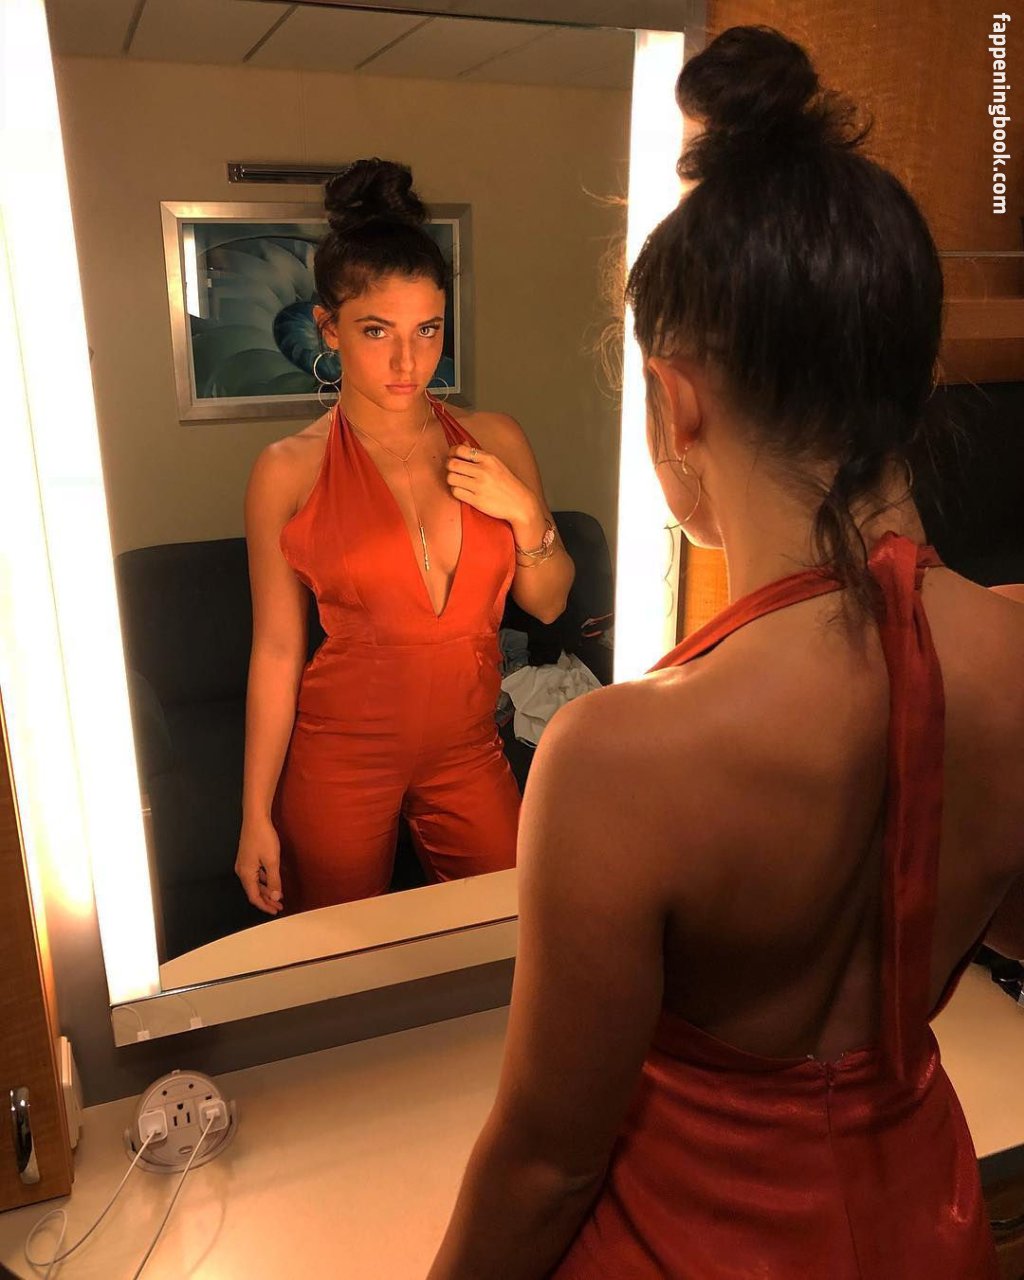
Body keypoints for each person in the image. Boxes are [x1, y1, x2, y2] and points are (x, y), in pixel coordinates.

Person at [428, 27, 1024, 1279]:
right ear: (912, 376)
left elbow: (544, 1163)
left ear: (676, 401)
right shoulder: (1014, 650)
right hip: (928, 1227)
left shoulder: (617, 758)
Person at [235, 159, 574, 916]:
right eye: (376, 331)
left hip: (468, 748)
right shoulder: (287, 469)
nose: (407, 361)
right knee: (334, 955)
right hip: (339, 755)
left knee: (511, 929)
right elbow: (279, 650)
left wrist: (525, 514)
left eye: (427, 330)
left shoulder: (495, 440)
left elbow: (549, 604)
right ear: (328, 328)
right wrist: (255, 813)